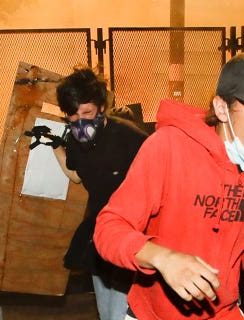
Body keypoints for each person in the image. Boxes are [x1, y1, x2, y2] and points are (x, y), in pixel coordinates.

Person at [92, 51, 244, 320]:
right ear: (221, 108)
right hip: (155, 315)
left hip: (224, 312)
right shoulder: (169, 147)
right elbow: (108, 228)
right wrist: (162, 257)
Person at [50, 66, 149, 320]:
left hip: (131, 233)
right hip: (100, 232)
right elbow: (77, 176)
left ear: (101, 107)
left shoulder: (131, 138)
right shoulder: (74, 140)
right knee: (106, 313)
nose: (80, 122)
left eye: (87, 113)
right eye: (73, 116)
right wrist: (56, 149)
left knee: (120, 313)